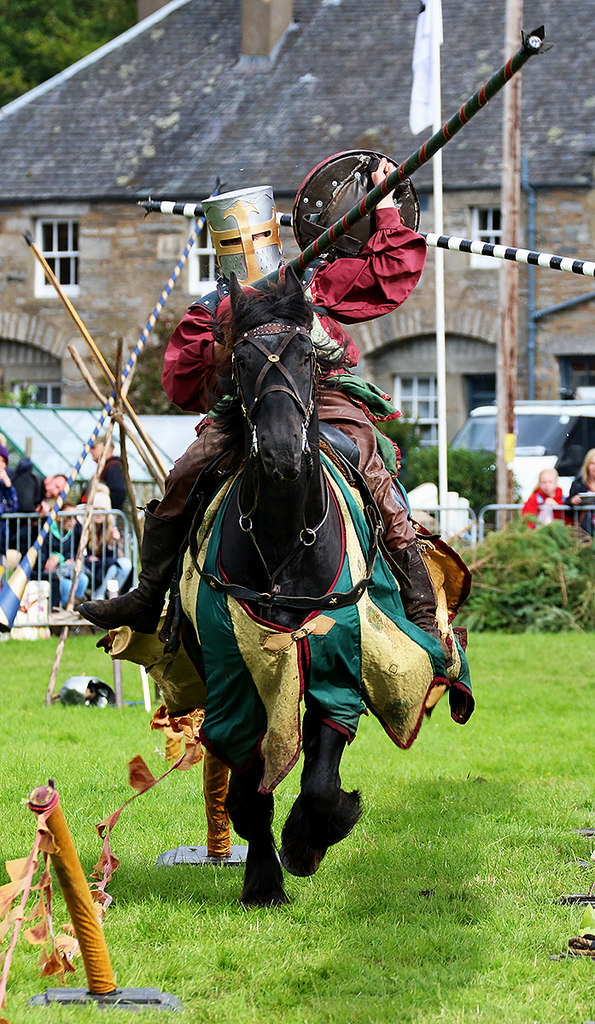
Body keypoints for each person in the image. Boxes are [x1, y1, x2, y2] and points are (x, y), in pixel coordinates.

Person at [79, 155, 443, 649]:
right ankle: (149, 596)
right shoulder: (211, 311)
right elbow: (180, 383)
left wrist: (382, 205)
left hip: (322, 395)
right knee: (187, 472)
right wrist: (221, 347)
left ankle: (419, 606)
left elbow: (391, 269)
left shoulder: (310, 283)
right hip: (245, 407)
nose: (247, 248)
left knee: (370, 470)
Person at [80, 490, 132, 599]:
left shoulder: (112, 529)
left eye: (102, 510)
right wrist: (87, 557)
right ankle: (98, 596)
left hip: (107, 566)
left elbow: (119, 556)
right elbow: (78, 551)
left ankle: (108, 595)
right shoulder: (84, 528)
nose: (99, 513)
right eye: (95, 510)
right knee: (111, 566)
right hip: (90, 565)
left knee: (124, 564)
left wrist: (116, 542)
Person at [41, 502, 89, 609]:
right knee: (67, 585)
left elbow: (75, 553)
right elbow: (46, 560)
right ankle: (65, 611)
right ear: (58, 517)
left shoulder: (76, 529)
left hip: (68, 569)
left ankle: (76, 609)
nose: (73, 521)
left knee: (83, 579)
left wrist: (66, 559)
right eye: (69, 517)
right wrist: (57, 557)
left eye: (75, 517)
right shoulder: (47, 529)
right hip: (54, 573)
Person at [88, 436, 127, 511]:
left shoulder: (114, 468)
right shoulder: (104, 469)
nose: (91, 451)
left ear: (108, 448)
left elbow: (118, 496)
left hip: (108, 518)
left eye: (94, 447)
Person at [566, 447, 595, 536]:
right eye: (592, 463)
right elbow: (567, 507)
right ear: (587, 465)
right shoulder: (578, 483)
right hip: (584, 530)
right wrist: (572, 501)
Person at [0, 442, 19, 575]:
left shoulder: (4, 485)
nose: (1, 465)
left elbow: (14, 506)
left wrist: (8, 485)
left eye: (4, 461)